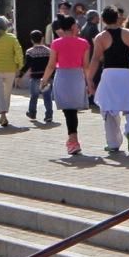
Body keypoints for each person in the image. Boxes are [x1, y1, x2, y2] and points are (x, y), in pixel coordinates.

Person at [85, 7, 129, 157]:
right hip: (127, 74)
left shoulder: (100, 37)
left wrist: (89, 78)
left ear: (103, 20)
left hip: (109, 74)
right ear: (118, 18)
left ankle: (113, 143)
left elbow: (95, 59)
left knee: (109, 108)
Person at [43, 16, 91, 157]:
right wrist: (89, 83)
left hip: (62, 76)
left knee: (68, 111)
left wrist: (44, 80)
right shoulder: (84, 43)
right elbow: (86, 66)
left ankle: (73, 140)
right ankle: (73, 140)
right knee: (72, 111)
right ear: (73, 27)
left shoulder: (56, 43)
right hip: (77, 77)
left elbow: (51, 65)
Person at [23, 29, 54, 126]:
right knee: (47, 97)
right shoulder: (49, 51)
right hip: (46, 77)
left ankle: (32, 113)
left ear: (31, 40)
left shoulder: (30, 52)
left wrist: (20, 75)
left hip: (35, 77)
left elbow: (27, 65)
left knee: (34, 96)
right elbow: (51, 64)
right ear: (42, 38)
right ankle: (49, 115)